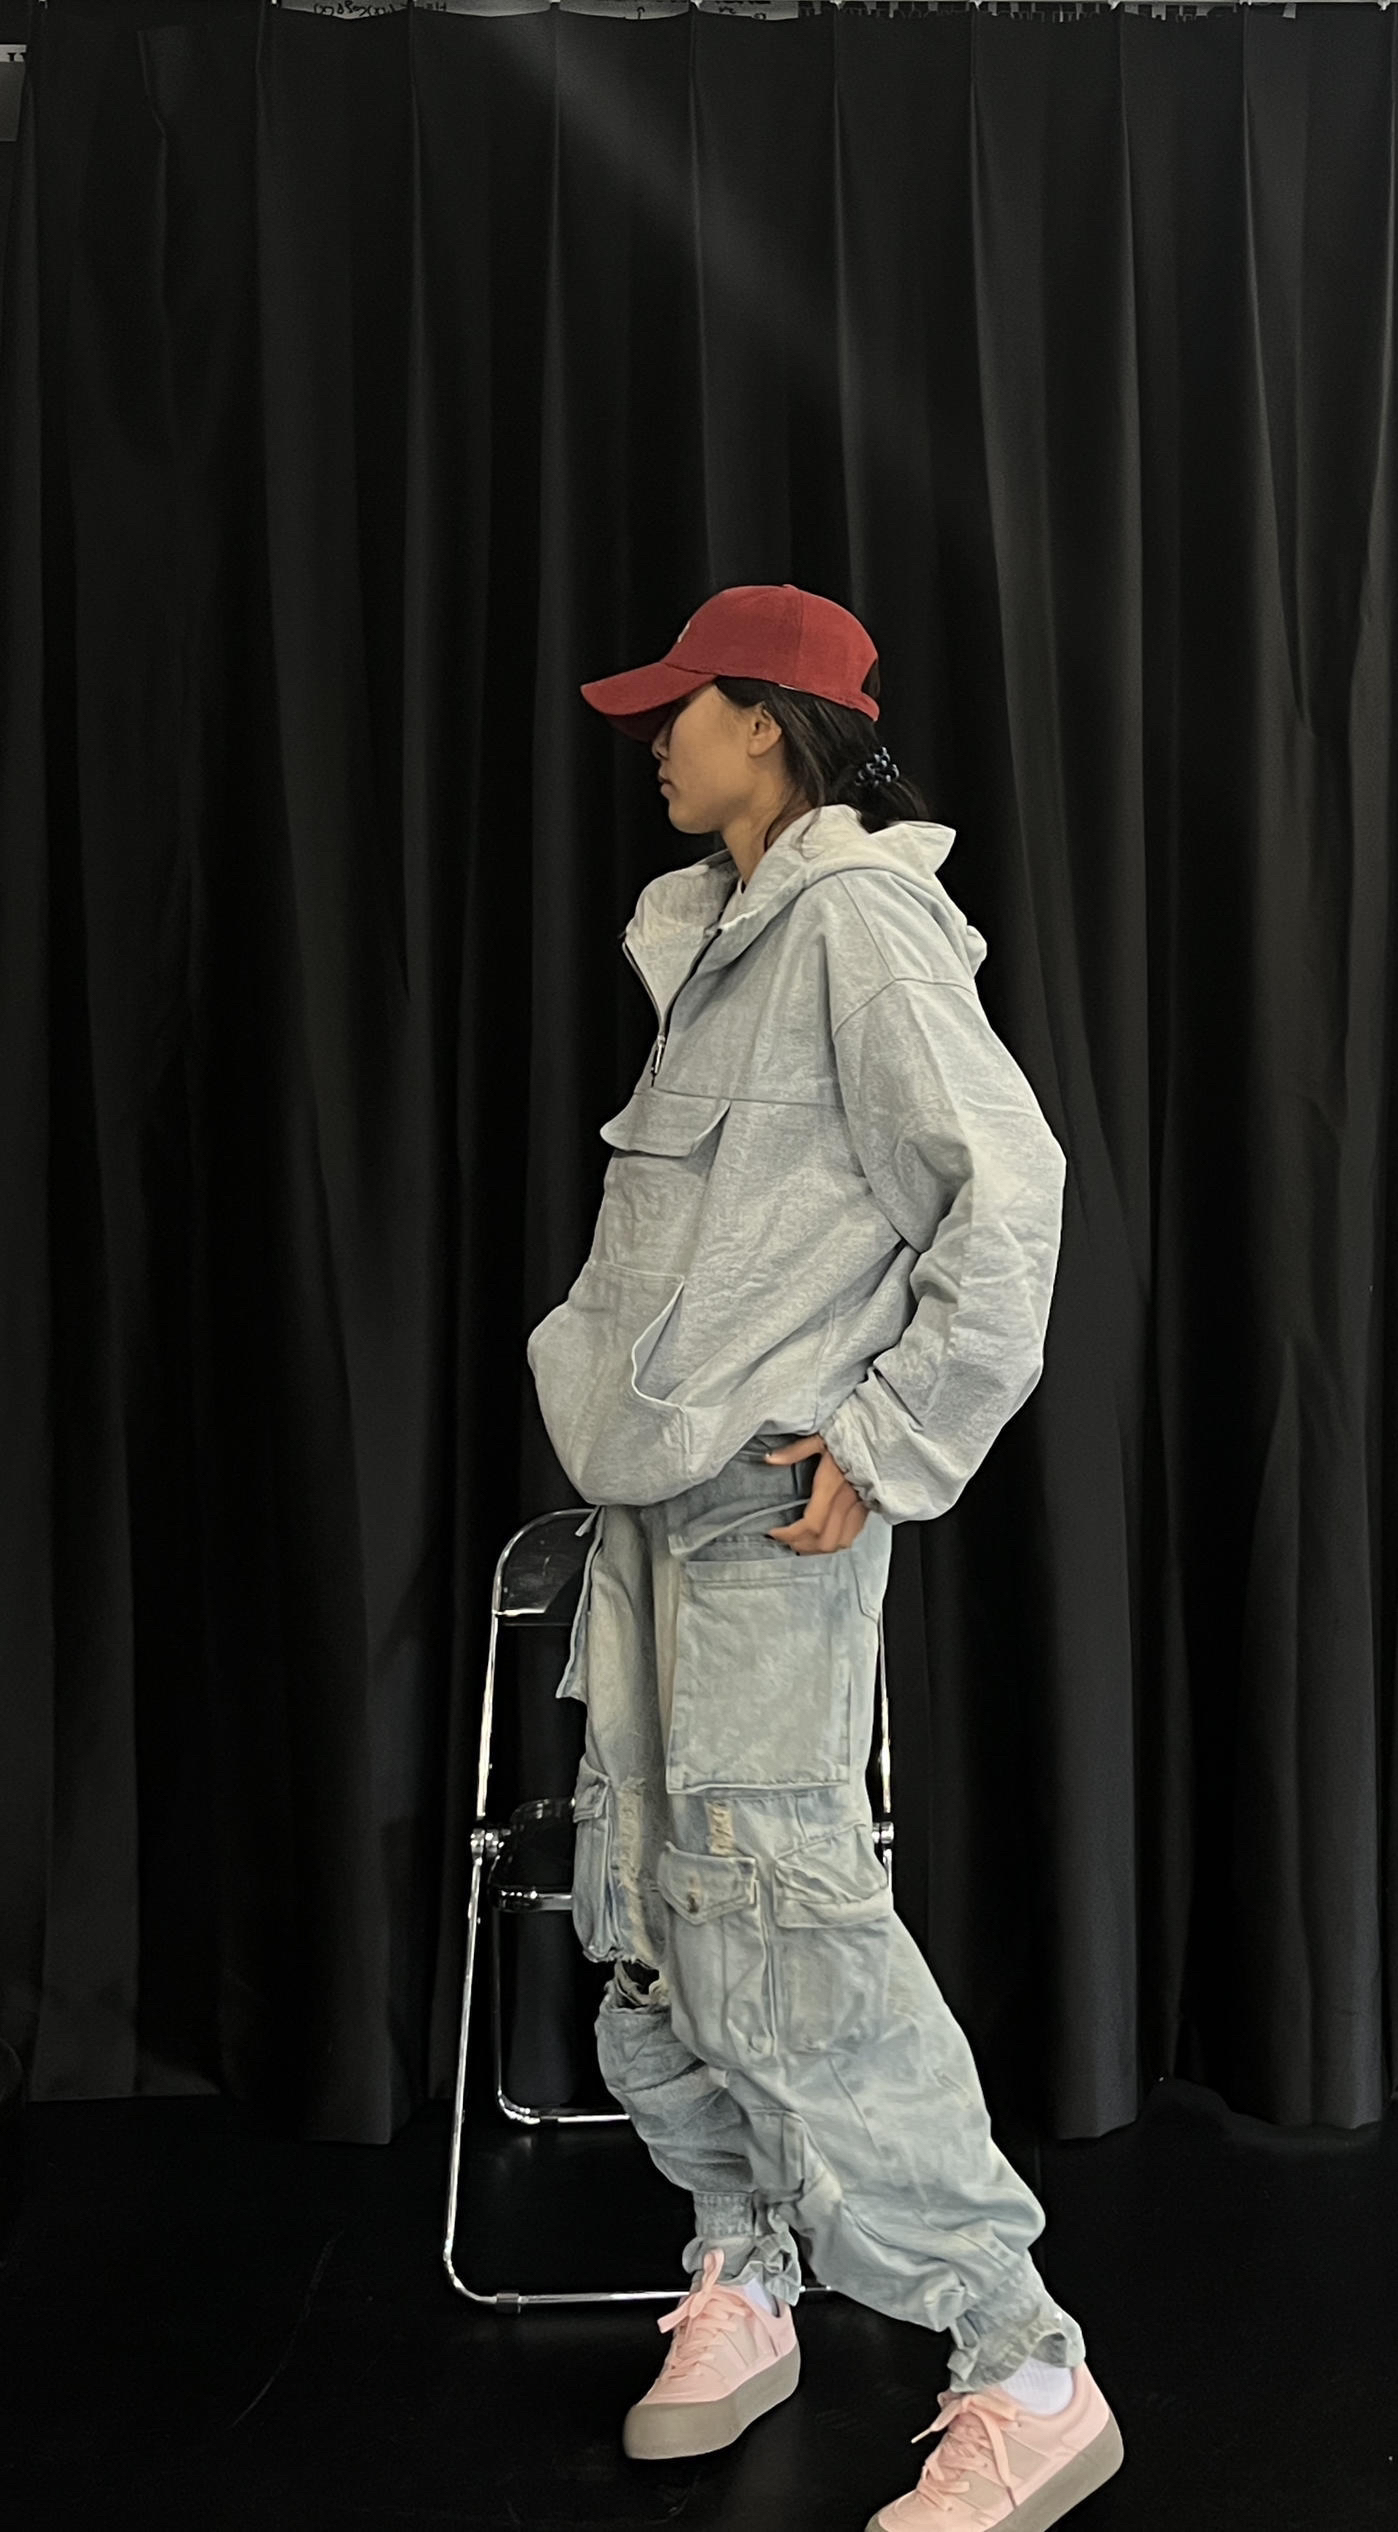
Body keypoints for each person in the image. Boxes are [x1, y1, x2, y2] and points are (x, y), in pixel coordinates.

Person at [526, 585, 1124, 2531]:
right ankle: (746, 2265)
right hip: (654, 1495)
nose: (655, 739)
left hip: (761, 1501)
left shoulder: (857, 925)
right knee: (645, 1899)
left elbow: (1005, 1189)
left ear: (768, 727)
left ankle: (1020, 2363)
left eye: (680, 710)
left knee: (779, 1921)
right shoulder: (720, 938)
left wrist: (890, 1439)